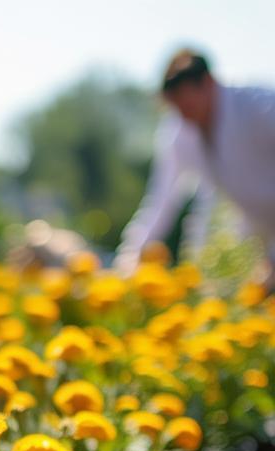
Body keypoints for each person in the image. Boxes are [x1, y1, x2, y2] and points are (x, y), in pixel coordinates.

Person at [115, 49, 275, 281]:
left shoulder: (258, 108)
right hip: (259, 238)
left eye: (187, 105)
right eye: (177, 107)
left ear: (208, 83)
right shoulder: (180, 131)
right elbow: (161, 198)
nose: (184, 115)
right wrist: (132, 253)